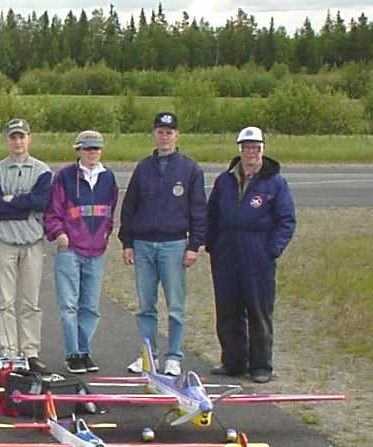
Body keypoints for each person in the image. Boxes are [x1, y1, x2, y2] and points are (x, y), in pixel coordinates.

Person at [118, 110, 205, 376]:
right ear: (154, 134)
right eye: (160, 132)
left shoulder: (190, 169)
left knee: (175, 306)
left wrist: (194, 245)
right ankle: (149, 355)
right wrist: (127, 242)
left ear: (177, 135)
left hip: (174, 245)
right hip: (143, 244)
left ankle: (174, 357)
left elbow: (199, 210)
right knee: (146, 306)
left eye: (169, 132)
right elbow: (129, 207)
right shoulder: (143, 168)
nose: (164, 137)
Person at [206, 125, 296, 384]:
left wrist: (272, 249)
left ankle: (260, 365)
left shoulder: (275, 182)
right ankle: (233, 362)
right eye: (246, 148)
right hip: (226, 252)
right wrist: (212, 244)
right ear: (240, 150)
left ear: (262, 150)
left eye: (255, 148)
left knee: (258, 308)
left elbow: (286, 220)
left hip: (257, 251)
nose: (250, 153)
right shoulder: (225, 180)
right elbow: (211, 214)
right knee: (228, 308)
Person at [43, 130, 118, 372]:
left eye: (96, 148)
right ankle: (73, 353)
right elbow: (53, 210)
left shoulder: (108, 178)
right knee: (69, 306)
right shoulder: (64, 176)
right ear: (79, 150)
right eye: (88, 148)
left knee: (90, 307)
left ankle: (85, 350)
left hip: (96, 251)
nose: (92, 153)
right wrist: (59, 233)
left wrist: (105, 233)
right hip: (70, 249)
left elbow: (110, 210)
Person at [0, 117, 53, 376]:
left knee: (30, 301)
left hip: (33, 241)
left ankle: (30, 352)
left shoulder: (42, 171)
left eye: (22, 136)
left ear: (29, 138)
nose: (18, 141)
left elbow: (42, 202)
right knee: (5, 300)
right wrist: (26, 204)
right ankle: (9, 351)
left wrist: (12, 200)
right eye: (13, 137)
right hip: (4, 241)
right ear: (7, 140)